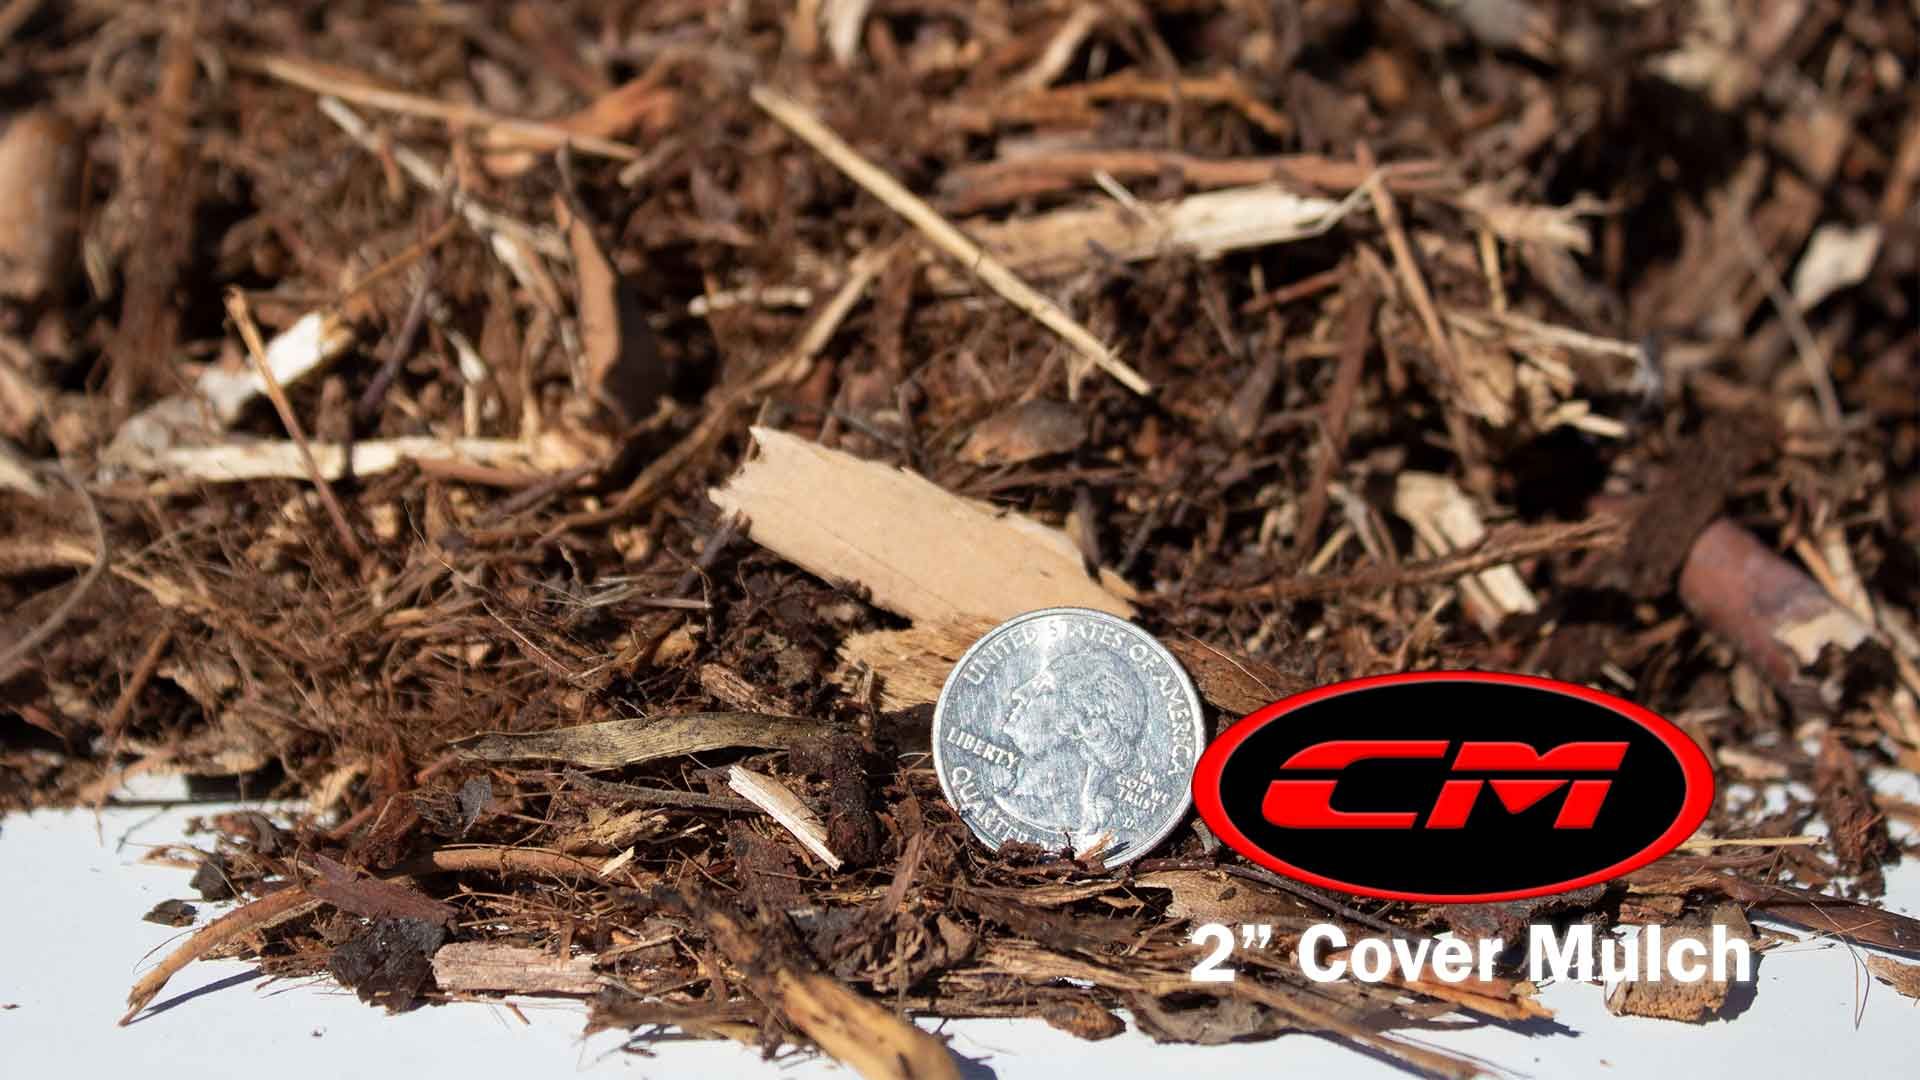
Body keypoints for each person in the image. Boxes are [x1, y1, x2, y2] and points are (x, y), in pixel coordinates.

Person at [987, 648, 1150, 848]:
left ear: (1078, 717)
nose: (1018, 693)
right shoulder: (1013, 796)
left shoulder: (1052, 810)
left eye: (1044, 686)